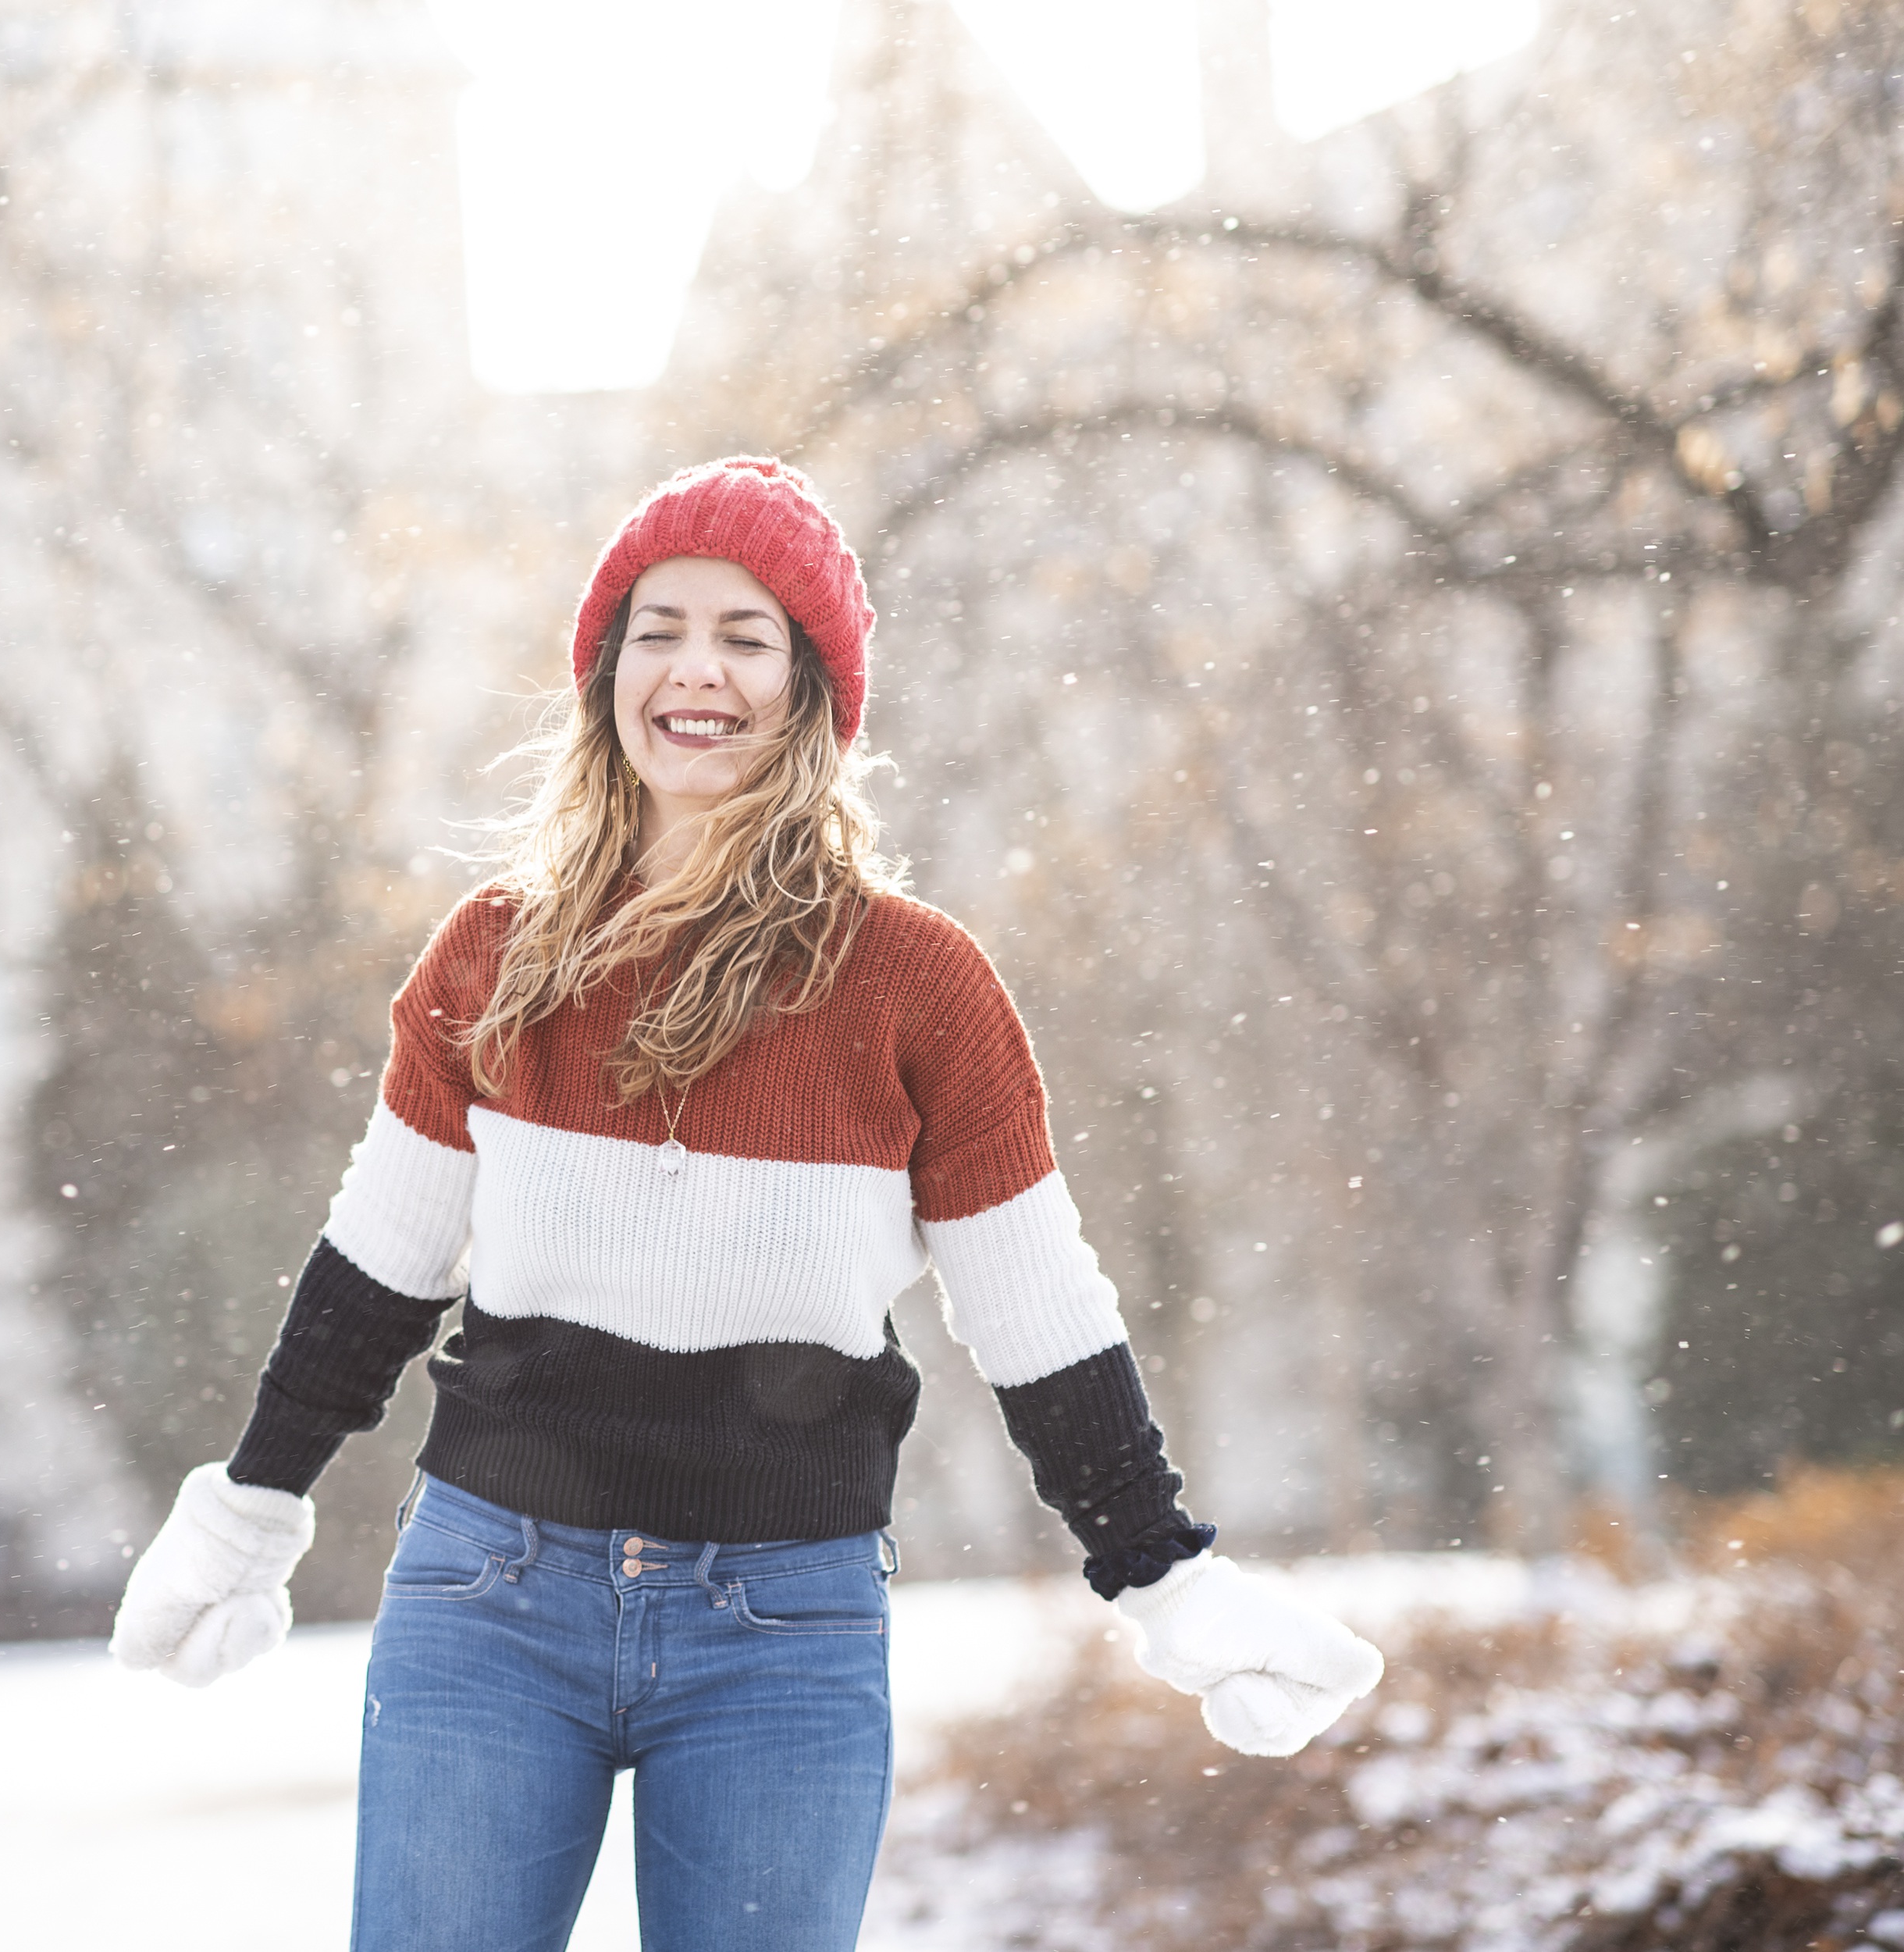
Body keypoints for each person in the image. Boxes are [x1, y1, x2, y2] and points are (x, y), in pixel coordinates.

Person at [110, 458, 1383, 1951]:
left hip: (781, 1630)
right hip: (491, 1599)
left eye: (743, 633)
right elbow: (377, 1264)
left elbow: (1035, 1314)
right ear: (604, 674)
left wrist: (1162, 1573)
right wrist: (252, 1505)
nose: (693, 669)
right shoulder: (496, 957)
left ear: (811, 690)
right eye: (657, 628)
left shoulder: (920, 989)